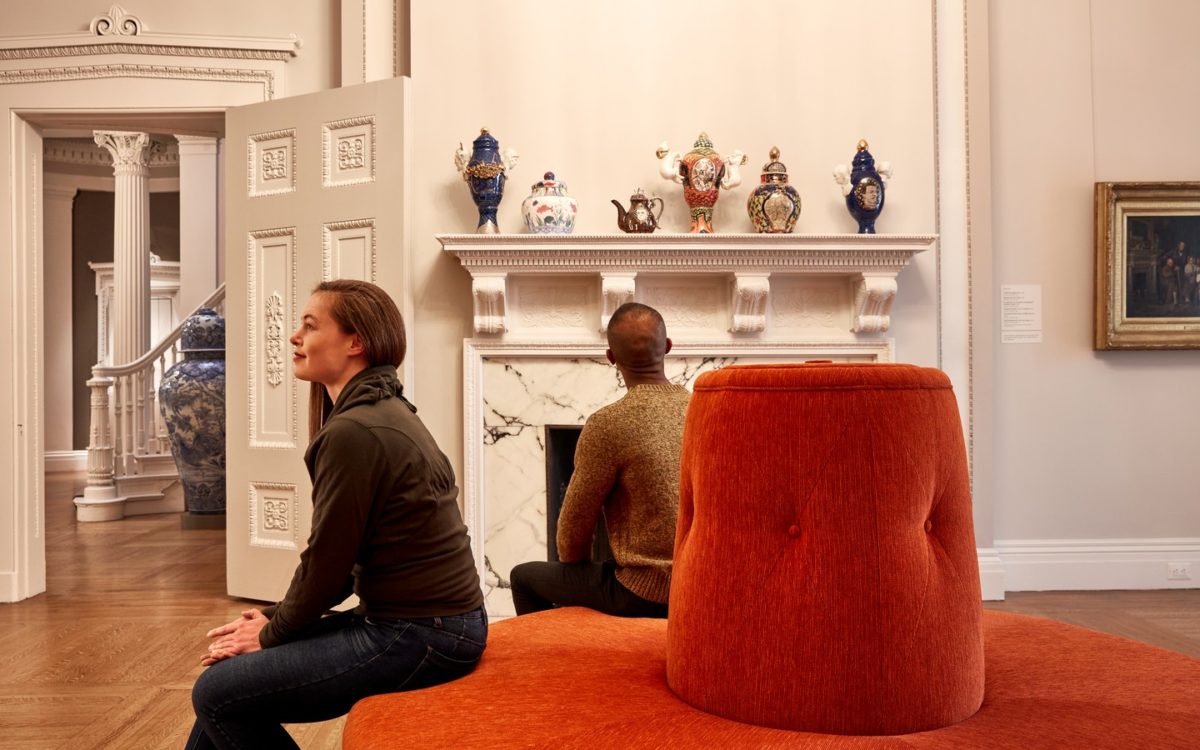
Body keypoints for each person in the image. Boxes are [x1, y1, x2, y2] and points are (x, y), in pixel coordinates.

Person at [187, 280, 485, 749]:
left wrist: (273, 632)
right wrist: (274, 619)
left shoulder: (357, 431)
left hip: (422, 634)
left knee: (216, 694)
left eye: (309, 324)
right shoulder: (379, 412)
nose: (293, 336)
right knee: (229, 680)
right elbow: (343, 563)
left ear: (355, 342)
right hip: (430, 625)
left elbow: (327, 564)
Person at [508, 302, 690, 618]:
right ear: (668, 347)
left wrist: (575, 569)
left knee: (523, 577)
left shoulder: (609, 423)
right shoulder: (702, 409)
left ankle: (555, 659)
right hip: (700, 582)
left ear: (611, 358)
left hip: (643, 593)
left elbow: (572, 532)